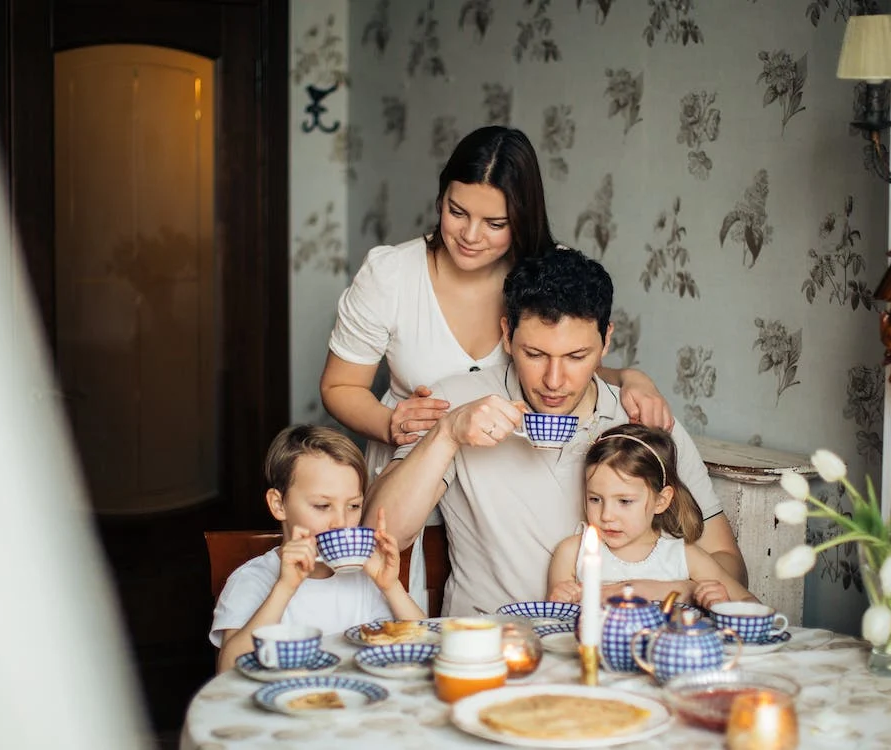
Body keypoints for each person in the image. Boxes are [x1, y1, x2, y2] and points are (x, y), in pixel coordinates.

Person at [320, 125, 673, 607]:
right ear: (441, 196)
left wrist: (631, 376)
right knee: (398, 604)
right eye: (457, 211)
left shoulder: (545, 272)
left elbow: (570, 362)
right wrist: (391, 422)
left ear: (523, 219)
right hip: (417, 458)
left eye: (495, 223)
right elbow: (340, 385)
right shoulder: (391, 276)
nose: (469, 235)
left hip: (505, 476)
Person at [364, 247, 747, 616]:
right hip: (493, 644)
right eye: (535, 354)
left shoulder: (642, 419)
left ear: (606, 340)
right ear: (506, 335)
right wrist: (446, 434)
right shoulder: (455, 401)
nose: (553, 380)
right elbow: (382, 536)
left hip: (621, 646)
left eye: (577, 357)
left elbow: (728, 567)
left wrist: (646, 591)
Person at [209, 425, 423, 673]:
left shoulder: (364, 580)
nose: (340, 523)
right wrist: (284, 588)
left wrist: (391, 587)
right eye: (322, 506)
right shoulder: (252, 580)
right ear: (279, 505)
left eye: (353, 506)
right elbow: (228, 672)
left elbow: (426, 644)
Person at [547, 424, 758, 608]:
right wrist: (558, 600)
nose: (607, 515)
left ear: (661, 501)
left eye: (625, 501)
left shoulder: (684, 557)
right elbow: (551, 620)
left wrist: (722, 603)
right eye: (595, 499)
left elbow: (751, 604)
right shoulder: (572, 553)